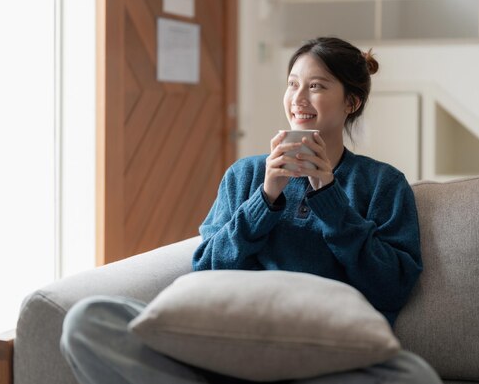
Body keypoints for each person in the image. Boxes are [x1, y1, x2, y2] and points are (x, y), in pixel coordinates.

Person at [60, 37, 442, 384]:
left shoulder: (382, 183)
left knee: (412, 376)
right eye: (293, 83)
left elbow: (392, 288)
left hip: (323, 362)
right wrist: (265, 198)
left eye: (317, 86)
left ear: (351, 102)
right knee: (88, 320)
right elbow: (206, 269)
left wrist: (328, 196)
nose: (299, 98)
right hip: (226, 350)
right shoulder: (245, 175)